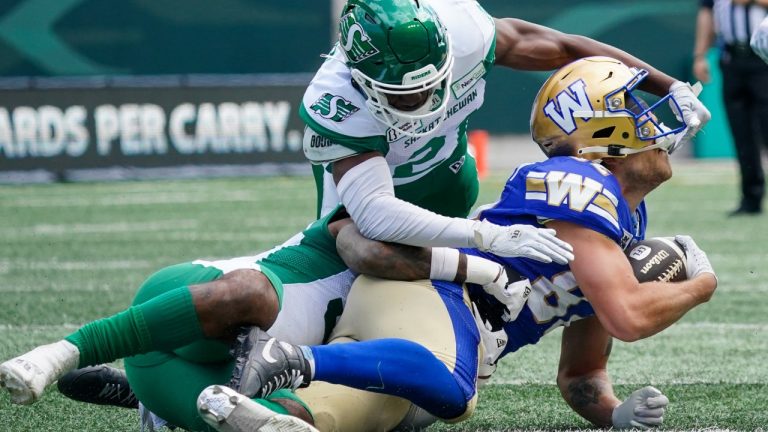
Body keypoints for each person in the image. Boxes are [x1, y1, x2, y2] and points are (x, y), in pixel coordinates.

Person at [221, 56, 718, 432]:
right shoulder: (577, 180)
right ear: (603, 127)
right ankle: (292, 356)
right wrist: (701, 284)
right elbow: (627, 316)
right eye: (634, 107)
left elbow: (581, 373)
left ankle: (211, 399)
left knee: (338, 417)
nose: (655, 123)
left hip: (432, 328)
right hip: (436, 298)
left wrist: (614, 415)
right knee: (456, 393)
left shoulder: (619, 218)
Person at [694, 0, 768, 215]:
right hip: (732, 59)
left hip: (764, 61)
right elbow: (707, 13)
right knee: (741, 132)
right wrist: (700, 55)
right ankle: (751, 198)